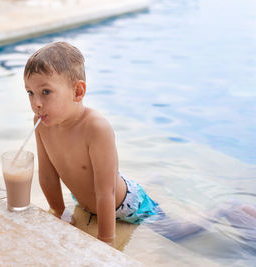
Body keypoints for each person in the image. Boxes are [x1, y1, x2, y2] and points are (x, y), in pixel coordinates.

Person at [23, 41, 160, 245]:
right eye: (30, 93)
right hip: (87, 200)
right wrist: (59, 212)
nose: (37, 103)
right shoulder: (41, 123)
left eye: (46, 92)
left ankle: (221, 210)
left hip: (125, 206)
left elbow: (107, 193)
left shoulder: (96, 128)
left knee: (179, 232)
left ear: (78, 92)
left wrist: (106, 240)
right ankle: (152, 180)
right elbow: (47, 174)